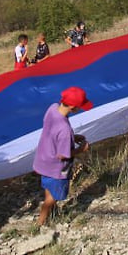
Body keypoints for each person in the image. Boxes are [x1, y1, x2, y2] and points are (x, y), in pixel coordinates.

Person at [33, 86, 93, 226]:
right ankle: (41, 222)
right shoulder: (64, 130)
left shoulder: (52, 109)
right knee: (53, 197)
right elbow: (63, 155)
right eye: (79, 106)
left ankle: (51, 214)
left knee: (49, 190)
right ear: (73, 107)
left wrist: (73, 137)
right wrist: (81, 149)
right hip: (56, 169)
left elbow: (54, 132)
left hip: (43, 161)